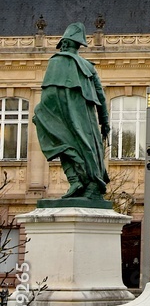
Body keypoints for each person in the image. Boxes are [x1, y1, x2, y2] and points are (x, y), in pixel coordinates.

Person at [33, 22, 111, 203]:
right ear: (78, 45)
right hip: (85, 122)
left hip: (62, 117)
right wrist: (105, 122)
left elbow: (47, 95)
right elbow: (101, 99)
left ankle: (77, 180)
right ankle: (82, 182)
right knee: (82, 150)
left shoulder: (55, 62)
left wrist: (42, 114)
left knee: (63, 147)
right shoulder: (89, 68)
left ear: (65, 43)